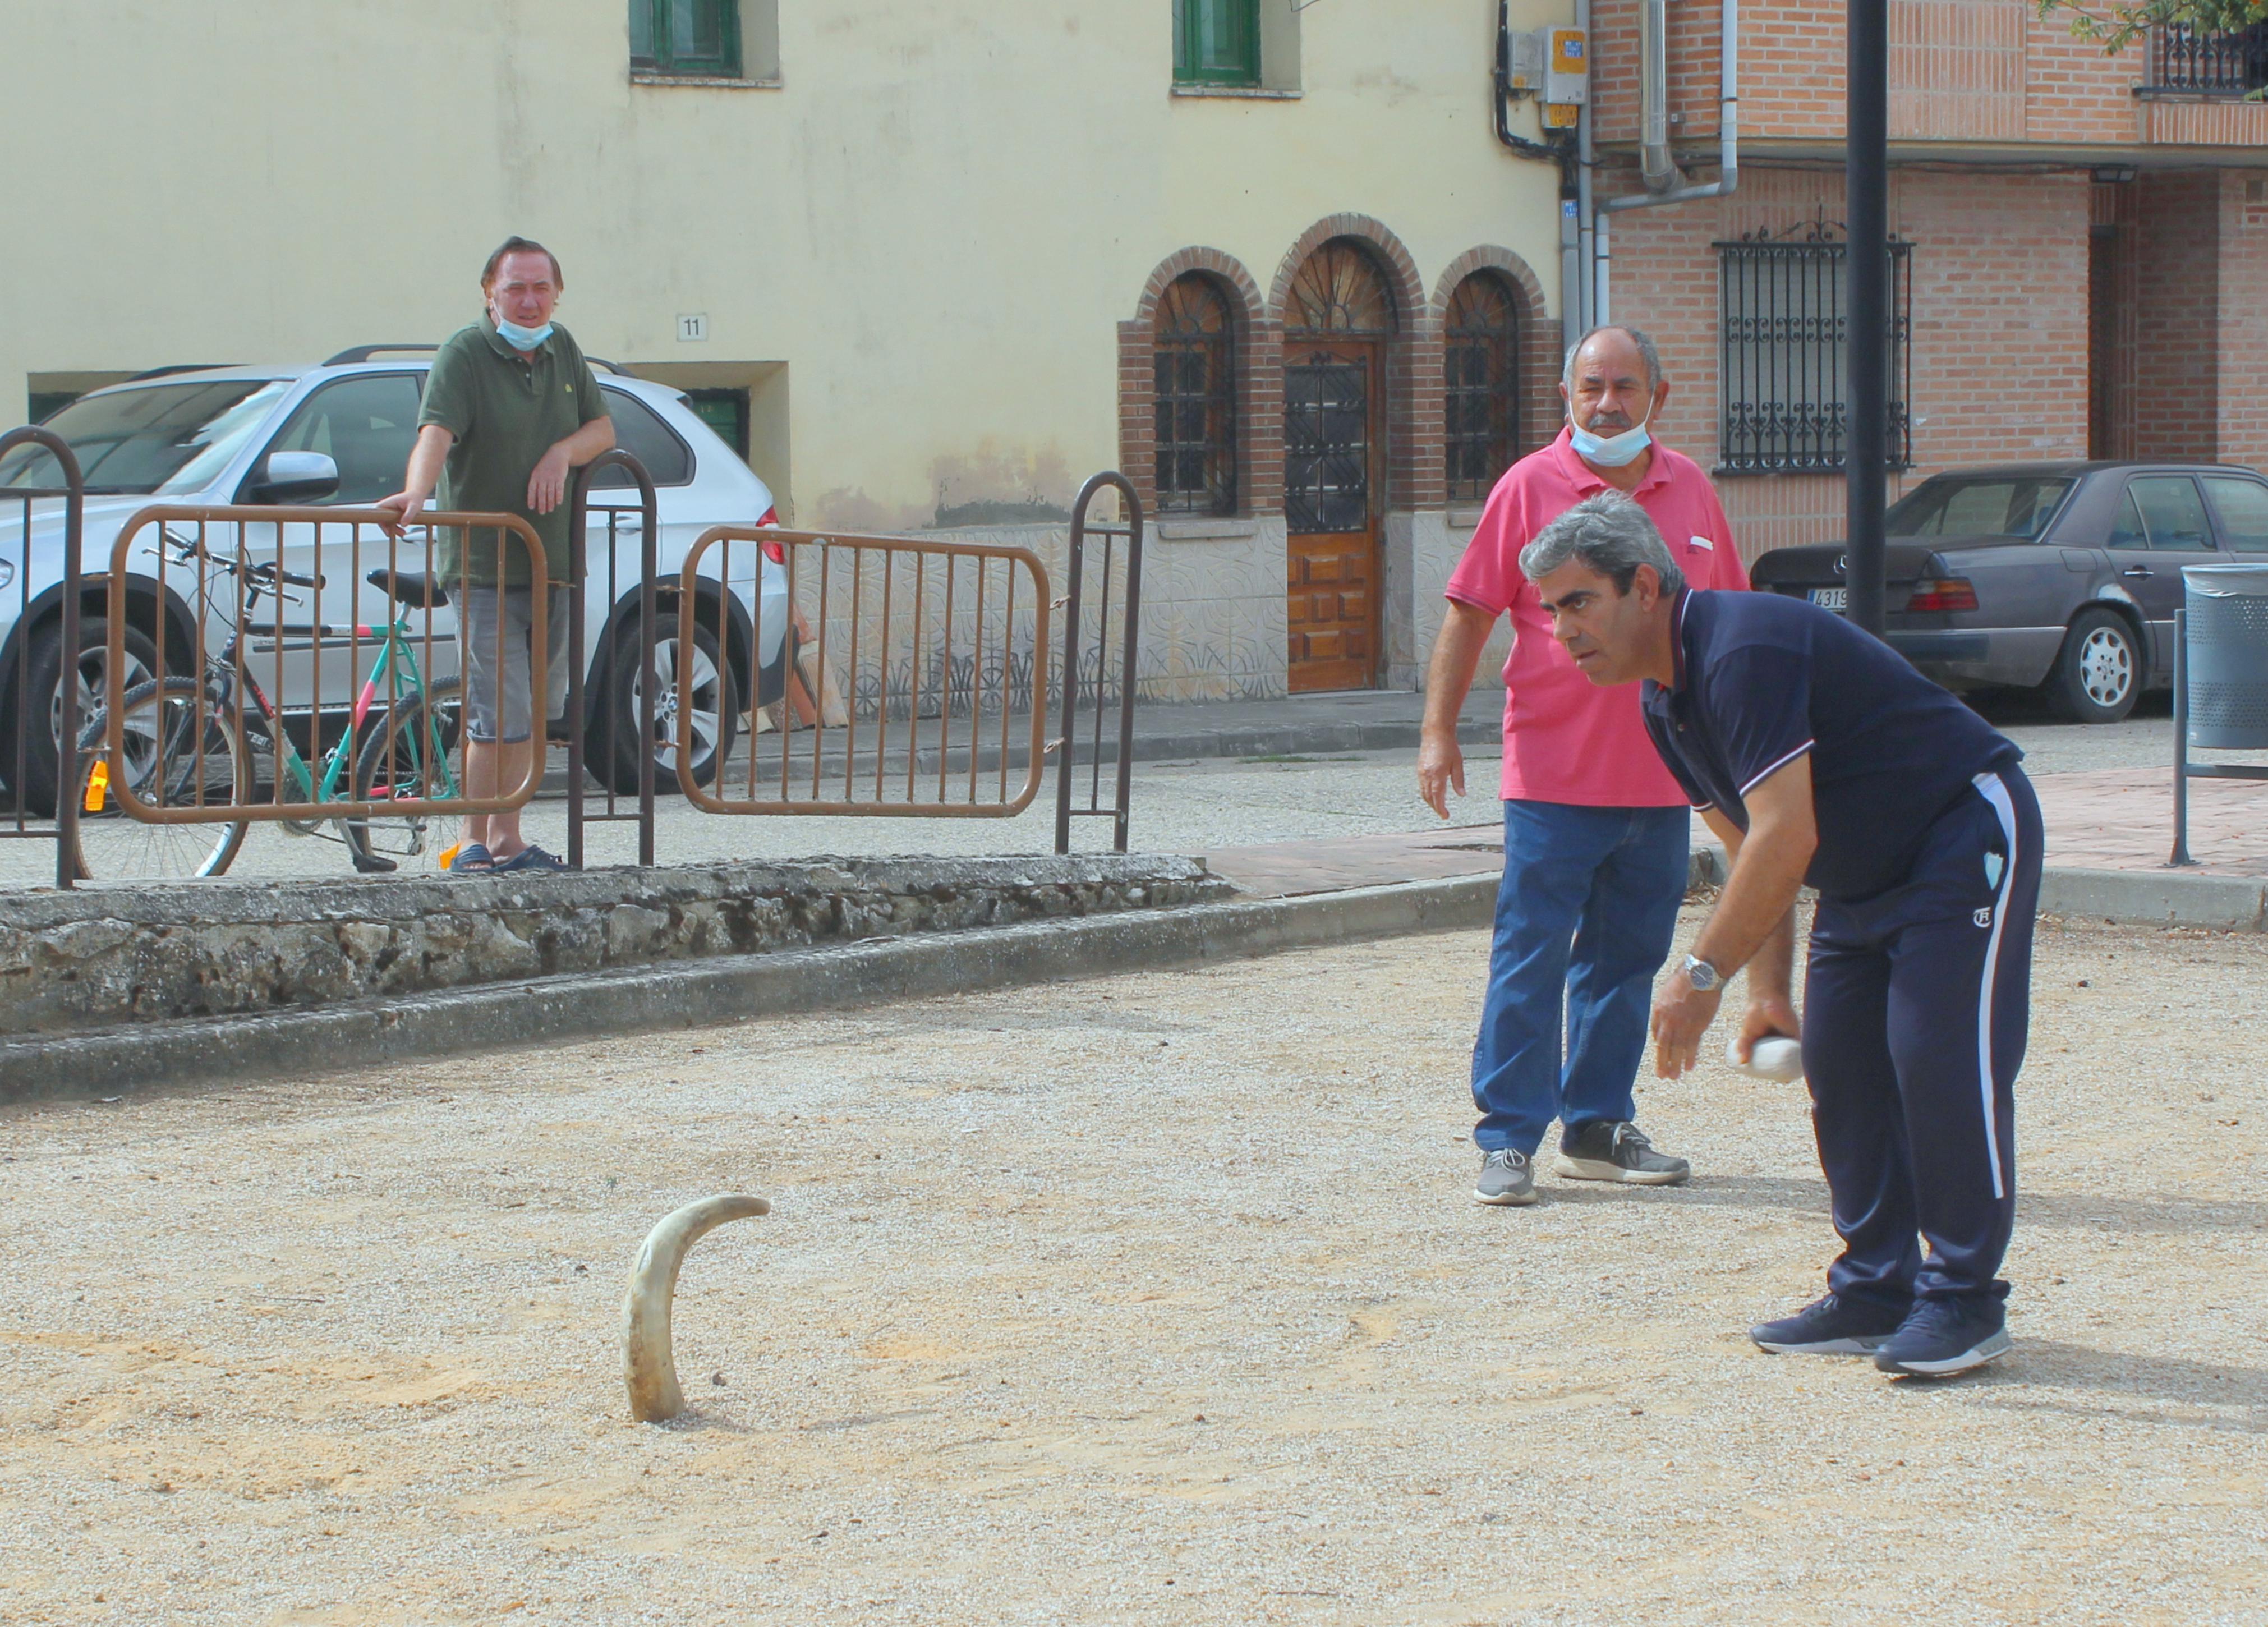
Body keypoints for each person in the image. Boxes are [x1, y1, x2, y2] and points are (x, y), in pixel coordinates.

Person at [1520, 492, 2041, 1378]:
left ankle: (1962, 1302)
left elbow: (1784, 835)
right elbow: (1747, 848)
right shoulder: (1662, 702)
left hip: (1960, 835)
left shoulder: (1740, 649)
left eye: (1578, 602)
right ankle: (1876, 1289)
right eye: (1549, 611)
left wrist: (1699, 973)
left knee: (1937, 1062)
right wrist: (1765, 991)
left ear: (1642, 586)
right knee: (1840, 1071)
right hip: (1859, 874)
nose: (1561, 630)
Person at [1419, 326, 1749, 1208]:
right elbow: (1468, 612)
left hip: (1663, 777)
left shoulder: (1691, 493)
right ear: (1565, 395)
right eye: (1590, 387)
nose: (1607, 404)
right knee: (1528, 959)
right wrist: (1436, 732)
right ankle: (1508, 1139)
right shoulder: (1527, 487)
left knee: (1624, 961)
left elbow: (1730, 627)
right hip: (1552, 777)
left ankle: (1597, 1129)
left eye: (1624, 388)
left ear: (1657, 396)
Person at [377, 236, 616, 873]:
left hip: (554, 564)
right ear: (490, 293)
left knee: (535, 712)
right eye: (516, 288)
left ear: (557, 293)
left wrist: (562, 452)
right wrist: (418, 493)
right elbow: (437, 431)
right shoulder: (464, 353)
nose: (530, 301)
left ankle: (506, 837)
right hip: (487, 564)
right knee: (499, 709)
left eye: (541, 288)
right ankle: (472, 839)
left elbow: (603, 428)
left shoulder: (562, 349)